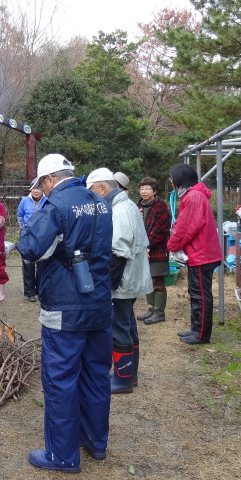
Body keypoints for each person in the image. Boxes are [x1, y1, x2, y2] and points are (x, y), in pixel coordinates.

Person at [17, 154, 113, 473]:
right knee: (96, 375)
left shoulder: (56, 206)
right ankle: (95, 442)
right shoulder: (101, 202)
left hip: (65, 307)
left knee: (60, 380)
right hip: (99, 302)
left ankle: (62, 455)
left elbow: (30, 248)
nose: (42, 191)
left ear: (48, 180)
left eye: (41, 185)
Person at [87, 168, 152, 395]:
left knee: (119, 327)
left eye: (93, 191)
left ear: (102, 188)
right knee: (128, 324)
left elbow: (118, 253)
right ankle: (130, 375)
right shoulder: (125, 206)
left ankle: (123, 379)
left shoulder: (120, 210)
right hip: (129, 278)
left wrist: (108, 286)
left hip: (122, 281)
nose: (92, 196)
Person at [167, 164, 222, 344]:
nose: (171, 181)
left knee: (201, 295)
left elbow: (187, 227)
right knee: (196, 293)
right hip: (200, 253)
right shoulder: (193, 195)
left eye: (172, 178)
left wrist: (172, 245)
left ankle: (201, 334)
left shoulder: (193, 197)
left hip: (201, 254)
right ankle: (196, 329)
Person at [136, 177, 172, 326]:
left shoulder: (161, 206)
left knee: (157, 280)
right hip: (143, 248)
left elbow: (160, 229)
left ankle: (159, 312)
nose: (144, 191)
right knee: (147, 279)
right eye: (142, 188)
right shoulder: (139, 206)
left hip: (157, 249)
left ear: (154, 191)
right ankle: (151, 309)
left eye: (147, 188)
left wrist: (148, 245)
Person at [17, 186, 47, 302]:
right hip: (27, 236)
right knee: (28, 264)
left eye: (39, 188)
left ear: (42, 190)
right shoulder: (24, 201)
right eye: (33, 189)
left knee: (42, 264)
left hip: (43, 236)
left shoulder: (47, 200)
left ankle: (40, 291)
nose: (36, 191)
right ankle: (30, 292)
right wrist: (25, 229)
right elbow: (20, 216)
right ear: (30, 190)